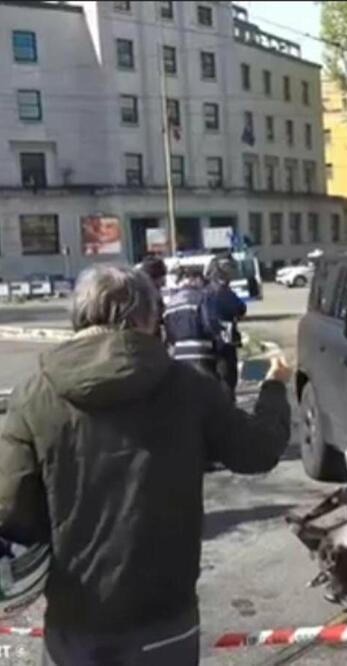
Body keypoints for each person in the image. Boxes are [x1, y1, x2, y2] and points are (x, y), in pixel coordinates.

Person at [0, 265, 291, 665]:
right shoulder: (189, 386)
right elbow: (258, 450)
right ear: (149, 318)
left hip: (75, 619)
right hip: (164, 618)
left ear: (79, 315)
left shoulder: (34, 395)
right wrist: (274, 387)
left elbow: (11, 510)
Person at [162, 265, 220, 379]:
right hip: (202, 350)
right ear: (196, 280)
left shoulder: (171, 303)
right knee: (207, 384)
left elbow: (167, 332)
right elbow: (210, 324)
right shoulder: (203, 297)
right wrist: (217, 340)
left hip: (179, 353)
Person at [205, 256, 247, 399]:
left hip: (208, 342)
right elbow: (240, 308)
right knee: (228, 378)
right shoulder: (222, 291)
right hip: (224, 341)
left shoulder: (205, 291)